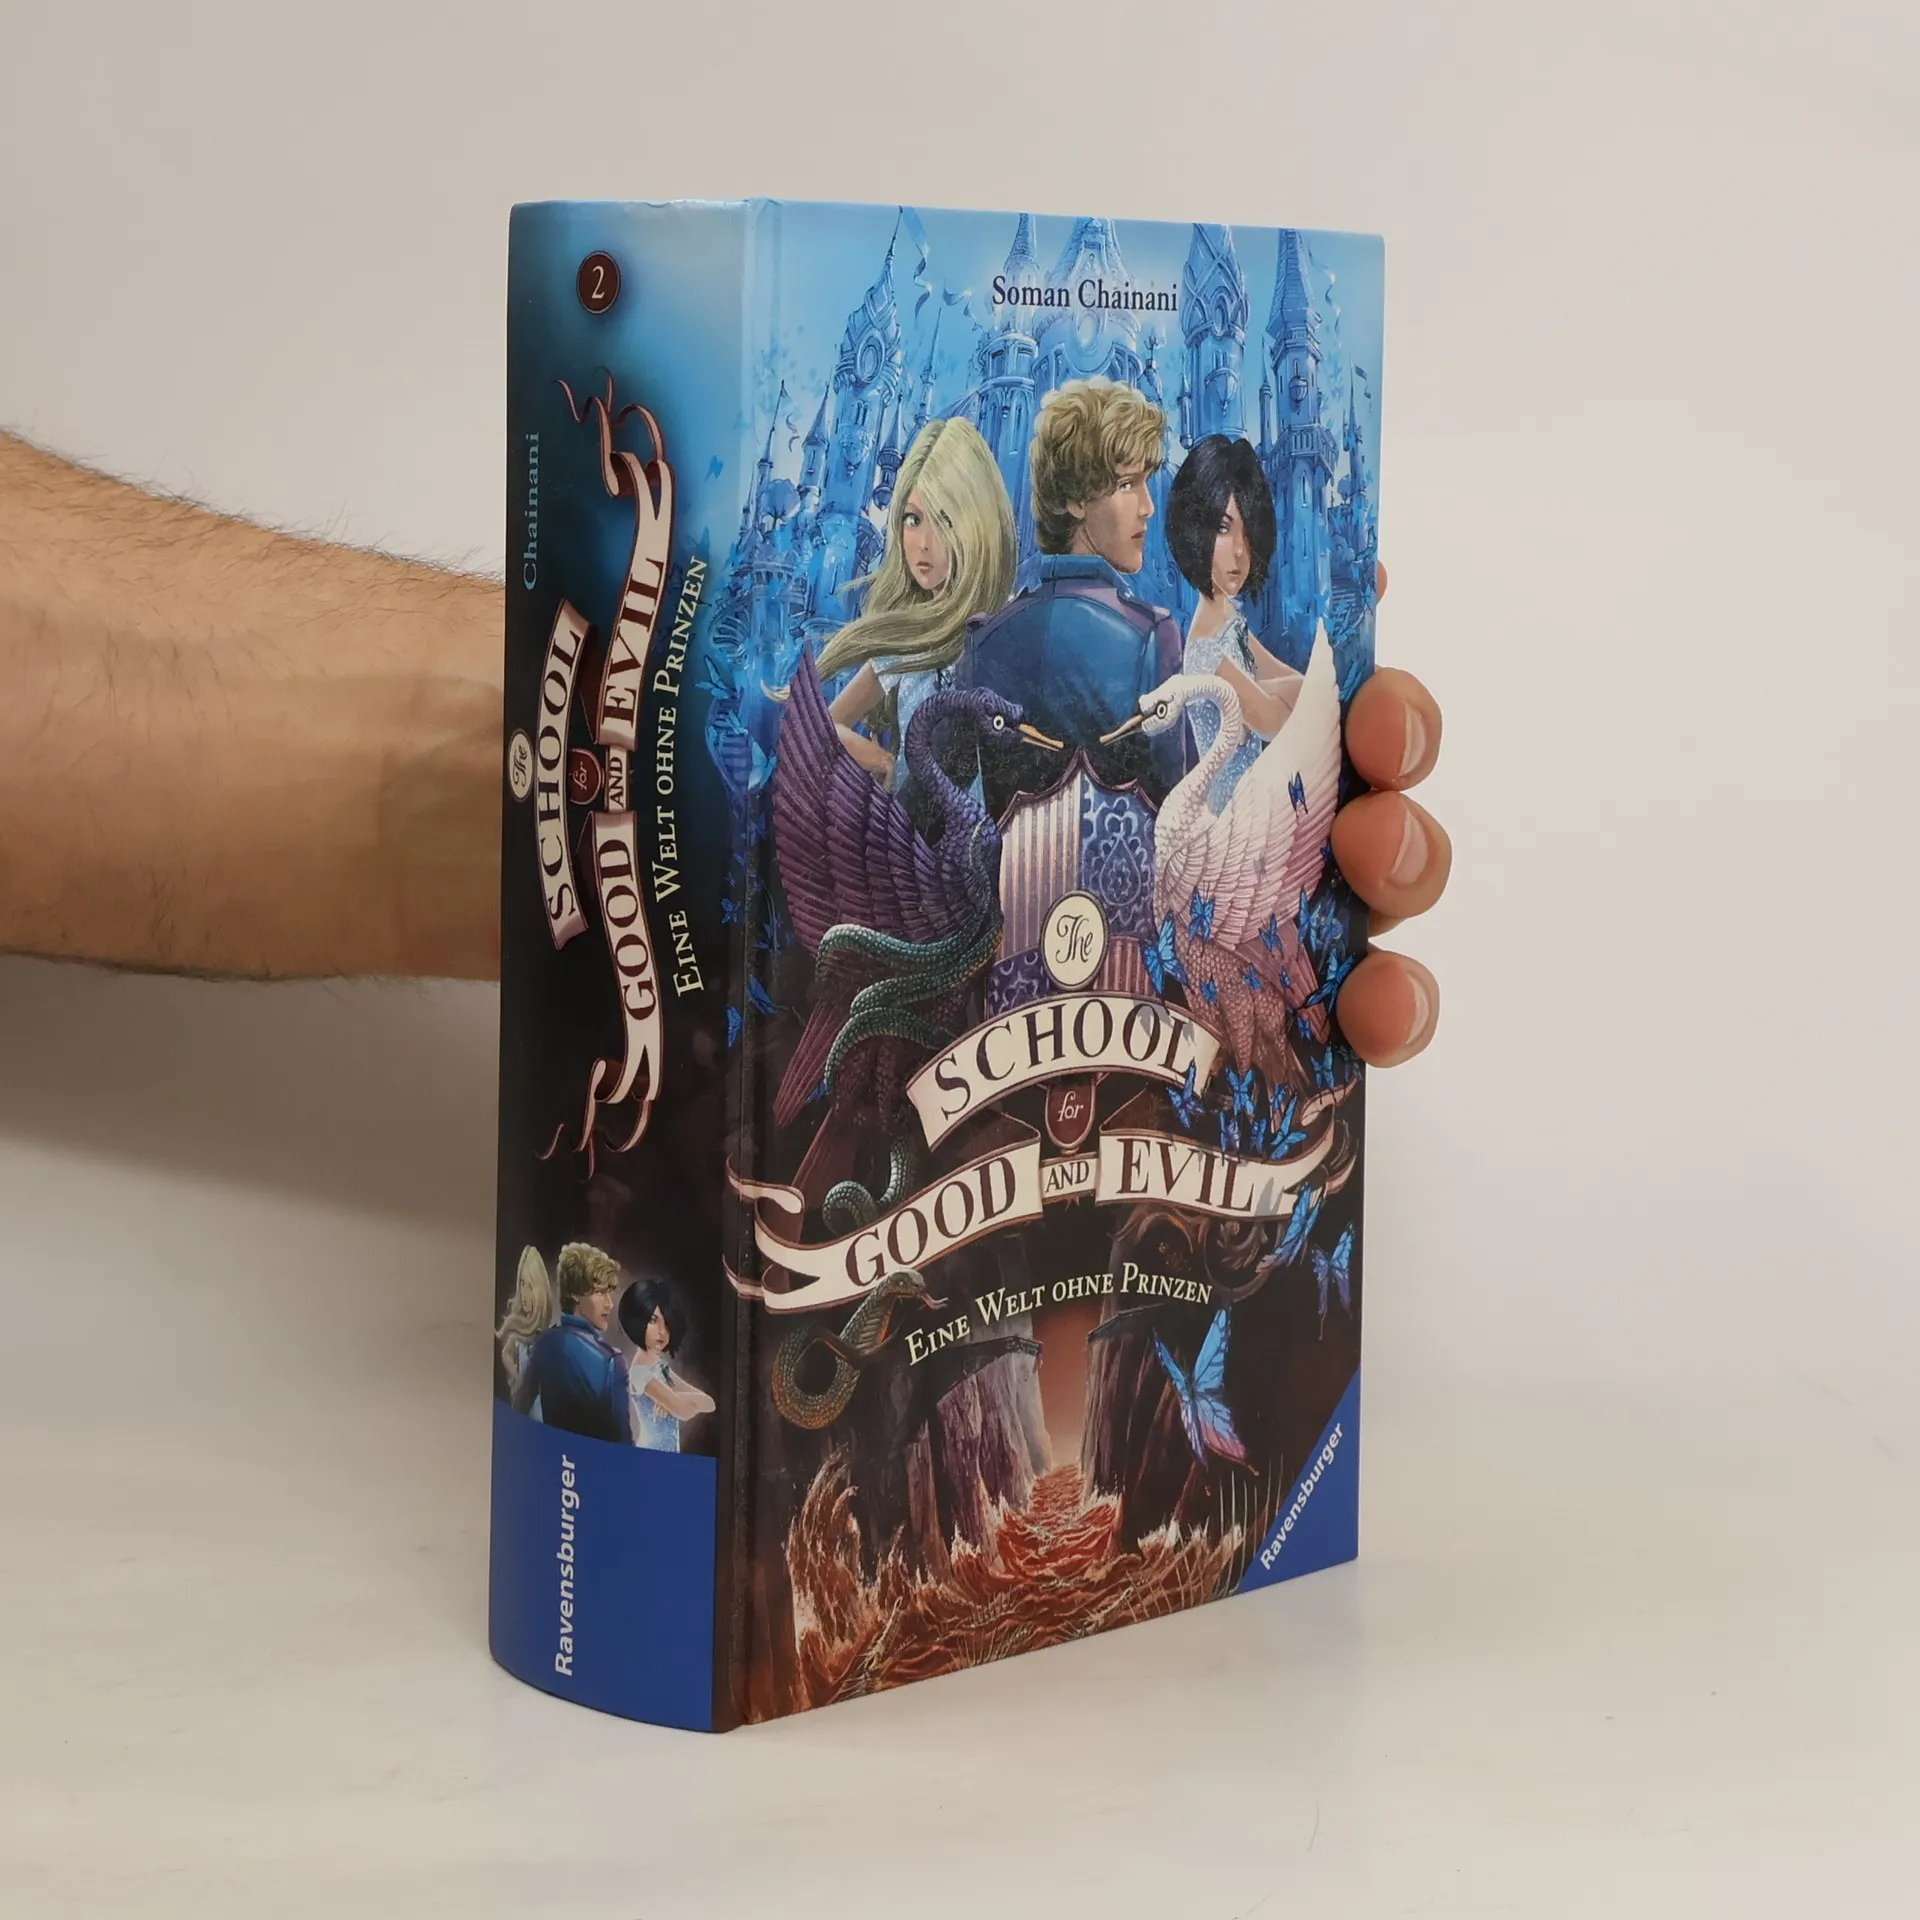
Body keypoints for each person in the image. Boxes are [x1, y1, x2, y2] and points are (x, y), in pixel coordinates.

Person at [0, 430, 1448, 1068]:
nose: (918, 536)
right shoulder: (966, 650)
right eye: (908, 514)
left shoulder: (1087, 641)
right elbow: (846, 747)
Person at [959, 377, 1187, 814]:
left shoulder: (983, 641)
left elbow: (934, 809)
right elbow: (1178, 810)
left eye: (1146, 483)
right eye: (1127, 484)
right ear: (1075, 500)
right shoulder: (1152, 636)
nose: (1147, 506)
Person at [820, 417, 1016, 785]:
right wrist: (881, 761)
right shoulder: (906, 639)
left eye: (945, 521)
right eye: (913, 519)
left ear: (978, 524)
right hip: (911, 818)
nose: (924, 543)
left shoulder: (1011, 625)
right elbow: (822, 728)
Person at [1164, 434, 1306, 812]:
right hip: (1230, 821)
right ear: (1195, 530)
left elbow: (1291, 680)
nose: (1240, 551)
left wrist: (1273, 691)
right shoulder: (1205, 651)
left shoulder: (1230, 621)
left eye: (1247, 531)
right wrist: (1276, 695)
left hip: (1254, 810)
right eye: (1224, 528)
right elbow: (1272, 721)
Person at [511, 1243, 630, 1444]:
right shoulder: (611, 1362)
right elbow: (624, 1448)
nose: (609, 1303)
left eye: (609, 1292)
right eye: (599, 1292)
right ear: (575, 1293)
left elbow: (519, 1409)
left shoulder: (543, 1343)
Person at [617, 1277, 715, 1453]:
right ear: (638, 1321)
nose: (662, 1331)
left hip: (668, 1455)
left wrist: (676, 1398)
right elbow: (684, 1411)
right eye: (653, 1320)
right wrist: (679, 1401)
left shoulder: (659, 1366)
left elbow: (709, 1403)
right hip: (650, 1456)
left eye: (667, 1322)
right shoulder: (640, 1373)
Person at [495, 1244, 556, 1401]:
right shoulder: (518, 1339)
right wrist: (515, 1376)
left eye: (530, 1286)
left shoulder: (551, 1341)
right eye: (522, 1283)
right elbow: (507, 1353)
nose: (524, 1294)